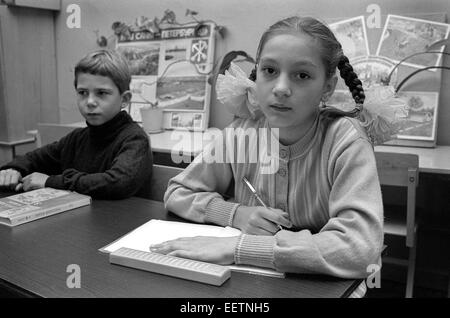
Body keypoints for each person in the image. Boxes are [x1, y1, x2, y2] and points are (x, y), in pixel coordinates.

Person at [155, 16, 383, 296]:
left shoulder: (346, 139)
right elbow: (178, 191)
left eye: (302, 75)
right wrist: (236, 213)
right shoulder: (240, 132)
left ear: (328, 86)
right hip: (249, 284)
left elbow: (359, 247)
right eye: (270, 70)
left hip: (326, 286)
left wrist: (239, 248)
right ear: (256, 74)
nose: (281, 88)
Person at [0, 50, 153, 199]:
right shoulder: (77, 138)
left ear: (124, 99)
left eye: (101, 93)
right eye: (82, 93)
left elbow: (118, 183)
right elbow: (35, 158)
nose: (90, 102)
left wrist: (50, 182)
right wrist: (13, 169)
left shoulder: (135, 139)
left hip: (120, 222)